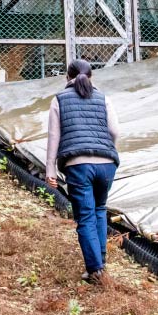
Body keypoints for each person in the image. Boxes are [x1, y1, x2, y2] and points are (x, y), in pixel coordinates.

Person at [44, 59, 120, 284]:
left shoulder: (59, 100)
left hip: (78, 165)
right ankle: (100, 261)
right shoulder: (103, 98)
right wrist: (108, 151)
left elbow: (54, 137)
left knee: (85, 216)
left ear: (66, 77)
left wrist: (50, 170)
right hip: (107, 164)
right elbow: (115, 131)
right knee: (99, 209)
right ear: (91, 77)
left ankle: (96, 270)